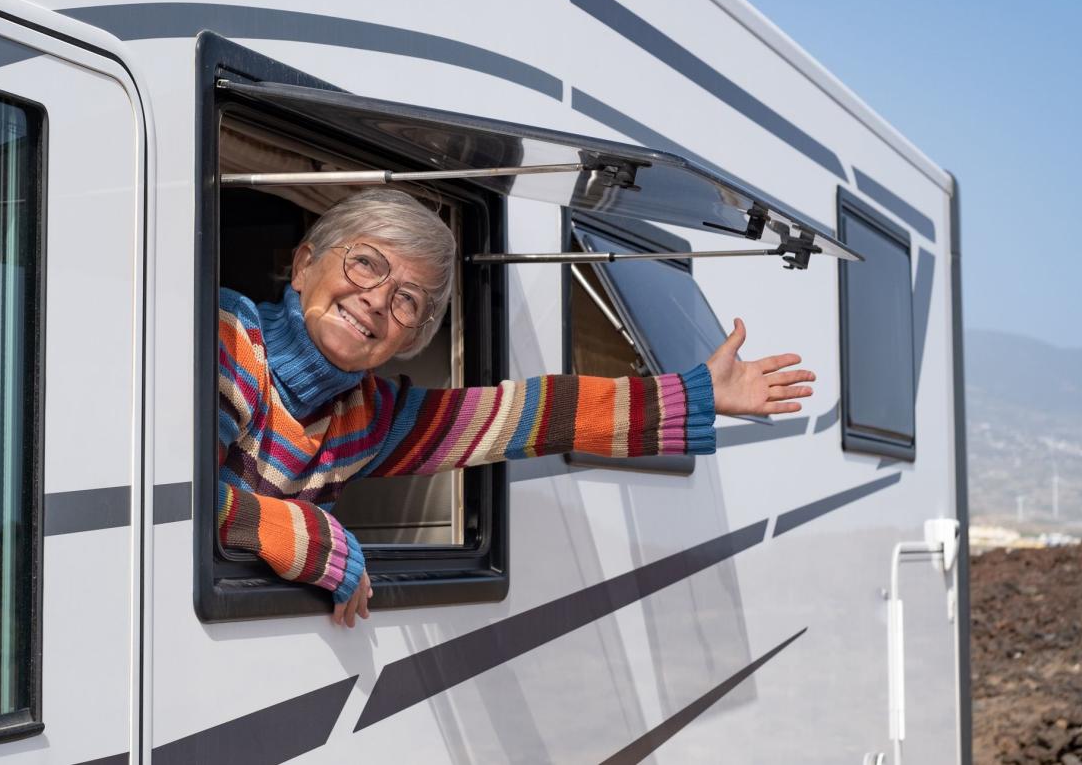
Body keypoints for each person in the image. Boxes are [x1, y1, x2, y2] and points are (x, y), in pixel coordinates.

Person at [217, 190, 816, 627]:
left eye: (407, 301)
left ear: (411, 341)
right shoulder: (222, 339)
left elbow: (532, 415)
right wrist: (311, 537)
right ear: (302, 266)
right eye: (365, 263)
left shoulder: (365, 417)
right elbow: (175, 507)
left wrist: (696, 395)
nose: (375, 300)